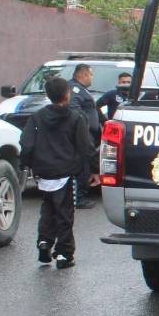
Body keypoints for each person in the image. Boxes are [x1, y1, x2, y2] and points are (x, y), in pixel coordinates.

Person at [20, 77, 99, 269]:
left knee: (48, 208)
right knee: (65, 213)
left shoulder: (37, 116)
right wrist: (95, 170)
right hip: (66, 171)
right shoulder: (75, 118)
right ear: (67, 95)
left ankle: (44, 242)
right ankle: (64, 254)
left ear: (48, 95)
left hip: (44, 171)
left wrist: (27, 165)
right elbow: (85, 147)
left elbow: (26, 142)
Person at [68, 63, 100, 209]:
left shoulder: (83, 90)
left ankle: (81, 194)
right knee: (82, 166)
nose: (92, 77)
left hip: (90, 135)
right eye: (91, 74)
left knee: (86, 164)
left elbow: (94, 110)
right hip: (83, 135)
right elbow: (75, 109)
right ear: (83, 75)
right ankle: (79, 197)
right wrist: (85, 128)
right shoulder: (74, 89)